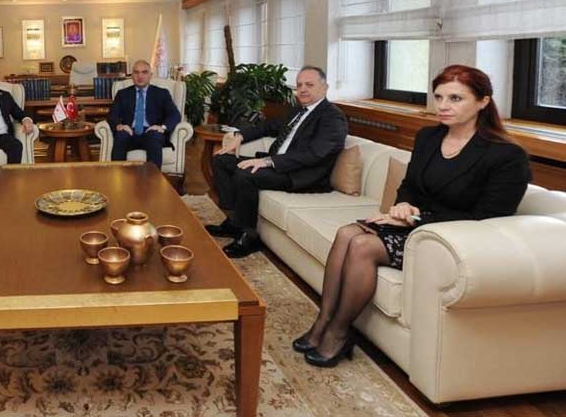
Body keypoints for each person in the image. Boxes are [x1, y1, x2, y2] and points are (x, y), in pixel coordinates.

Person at [294, 65, 531, 367]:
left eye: (455, 98)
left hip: (452, 240)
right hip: (414, 224)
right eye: (439, 97)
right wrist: (402, 206)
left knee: (362, 246)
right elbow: (409, 185)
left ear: (483, 101)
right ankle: (322, 322)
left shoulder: (507, 155)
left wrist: (415, 220)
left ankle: (338, 333)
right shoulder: (428, 137)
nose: (443, 106)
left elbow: (487, 221)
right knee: (346, 233)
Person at [209, 66, 348, 258]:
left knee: (245, 174)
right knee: (221, 160)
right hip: (278, 166)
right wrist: (240, 136)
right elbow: (269, 126)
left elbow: (315, 154)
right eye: (299, 85)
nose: (303, 89)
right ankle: (233, 220)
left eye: (309, 85)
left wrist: (268, 161)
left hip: (300, 175)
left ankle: (249, 236)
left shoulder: (333, 117)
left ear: (325, 88)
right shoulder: (298, 111)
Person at [106, 59, 181, 169]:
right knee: (121, 136)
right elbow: (112, 115)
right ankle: (118, 177)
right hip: (129, 131)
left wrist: (162, 127)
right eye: (136, 72)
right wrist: (119, 126)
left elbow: (175, 114)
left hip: (151, 131)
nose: (140, 76)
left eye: (144, 72)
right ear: (132, 76)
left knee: (154, 137)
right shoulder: (123, 94)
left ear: (150, 75)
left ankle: (153, 178)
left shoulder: (162, 93)